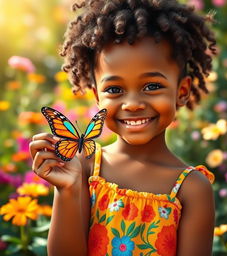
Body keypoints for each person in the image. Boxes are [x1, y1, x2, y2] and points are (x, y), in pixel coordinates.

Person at [29, 0, 217, 255]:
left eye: (152, 86)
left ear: (181, 92)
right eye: (114, 90)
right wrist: (67, 190)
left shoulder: (192, 188)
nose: (132, 104)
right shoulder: (84, 168)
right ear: (97, 96)